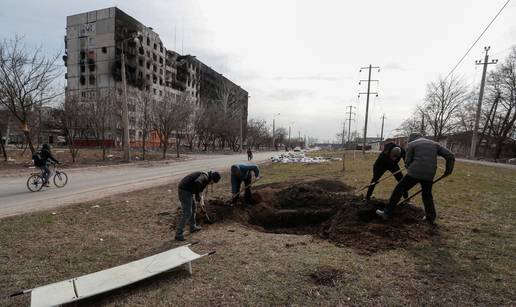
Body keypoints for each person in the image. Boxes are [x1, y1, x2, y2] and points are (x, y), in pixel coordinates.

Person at [376, 133, 455, 224]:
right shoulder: (435, 144)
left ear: (411, 139)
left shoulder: (412, 144)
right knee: (427, 195)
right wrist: (448, 171)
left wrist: (410, 169)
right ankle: (430, 218)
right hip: (429, 174)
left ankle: (386, 213)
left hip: (414, 172)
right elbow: (450, 156)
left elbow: (407, 161)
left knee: (399, 189)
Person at [175, 171, 221, 241]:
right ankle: (178, 234)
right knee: (187, 213)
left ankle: (193, 227)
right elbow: (197, 182)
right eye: (212, 182)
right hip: (184, 190)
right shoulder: (205, 177)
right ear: (212, 179)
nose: (211, 184)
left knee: (194, 208)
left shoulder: (205, 177)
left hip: (188, 191)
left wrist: (200, 200)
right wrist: (197, 195)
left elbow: (200, 191)